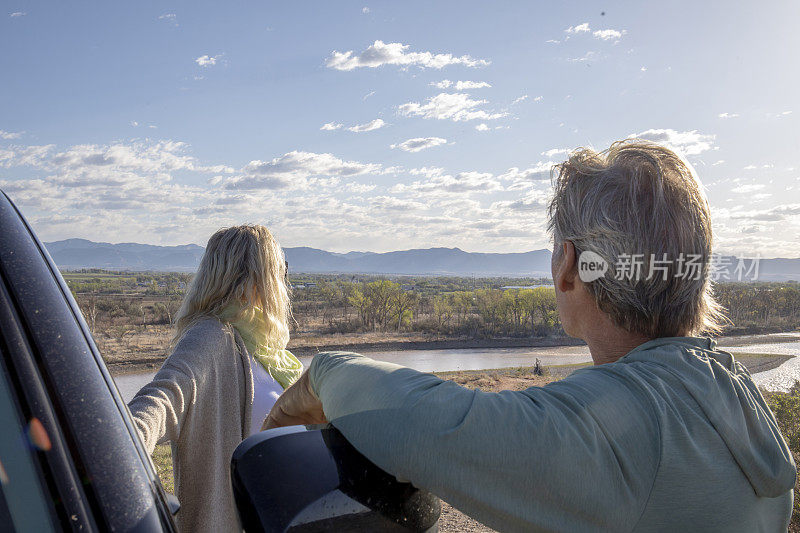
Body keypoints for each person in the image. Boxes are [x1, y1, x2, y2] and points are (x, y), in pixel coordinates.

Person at [265, 141, 796, 532]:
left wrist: (322, 376)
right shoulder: (729, 393)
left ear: (569, 266)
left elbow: (432, 425)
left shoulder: (625, 430)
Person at [129, 225, 302, 533]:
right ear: (254, 277)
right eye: (279, 269)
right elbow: (163, 397)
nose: (283, 279)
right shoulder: (211, 336)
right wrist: (112, 445)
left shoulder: (270, 355)